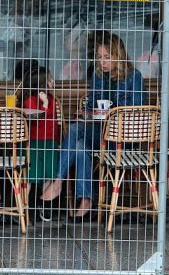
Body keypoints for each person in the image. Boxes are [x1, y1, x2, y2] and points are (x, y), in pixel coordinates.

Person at [40, 32, 145, 218]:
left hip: (123, 138)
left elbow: (136, 113)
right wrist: (87, 112)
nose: (102, 62)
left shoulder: (133, 77)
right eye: (99, 58)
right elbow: (91, 104)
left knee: (77, 138)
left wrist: (111, 113)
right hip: (101, 134)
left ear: (118, 56)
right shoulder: (98, 76)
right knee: (79, 142)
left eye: (107, 57)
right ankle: (84, 199)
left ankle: (59, 182)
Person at [20, 65, 59, 221]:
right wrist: (44, 104)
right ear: (42, 83)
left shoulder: (52, 98)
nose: (53, 80)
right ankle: (23, 205)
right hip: (35, 142)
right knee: (31, 175)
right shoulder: (30, 100)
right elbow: (36, 120)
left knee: (49, 173)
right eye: (50, 78)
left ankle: (45, 203)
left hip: (50, 141)